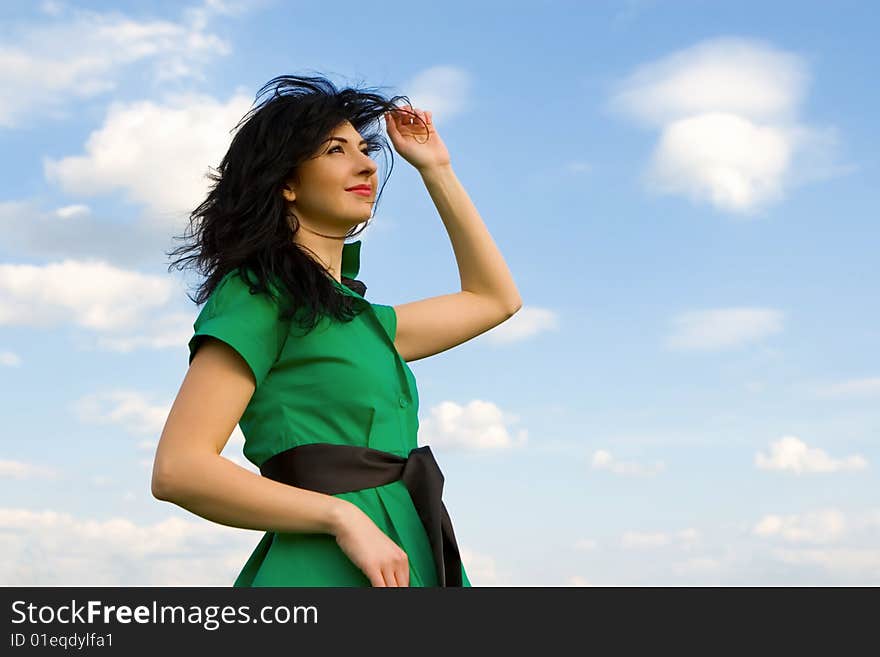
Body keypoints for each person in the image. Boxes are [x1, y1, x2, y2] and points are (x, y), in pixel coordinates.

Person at [152, 74, 522, 587]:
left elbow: (495, 299)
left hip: (407, 550)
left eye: (366, 148)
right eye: (335, 149)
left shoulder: (363, 322)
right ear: (287, 181)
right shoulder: (259, 293)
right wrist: (341, 517)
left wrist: (436, 169)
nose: (367, 162)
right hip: (326, 566)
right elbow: (179, 469)